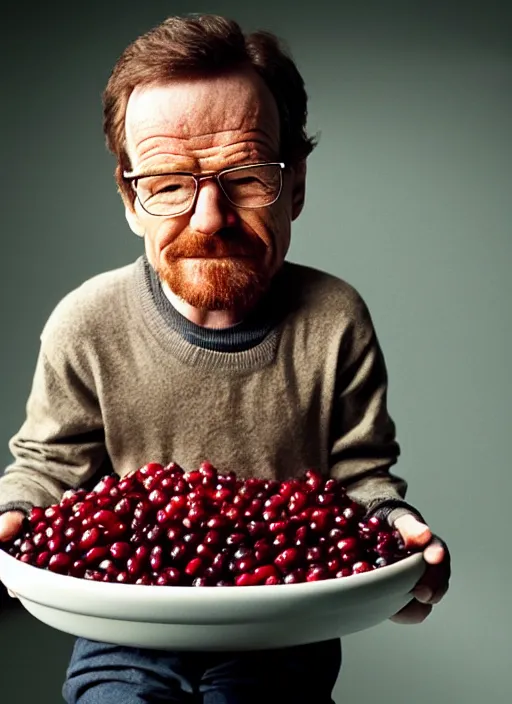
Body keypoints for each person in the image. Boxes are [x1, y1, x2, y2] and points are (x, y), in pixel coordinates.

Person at [0, 13, 450, 704]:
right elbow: (45, 471)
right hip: (124, 626)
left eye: (243, 177)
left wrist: (396, 539)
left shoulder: (335, 320)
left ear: (294, 184)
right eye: (170, 182)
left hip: (283, 630)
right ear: (130, 198)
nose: (210, 218)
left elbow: (359, 482)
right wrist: (9, 513)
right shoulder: (85, 322)